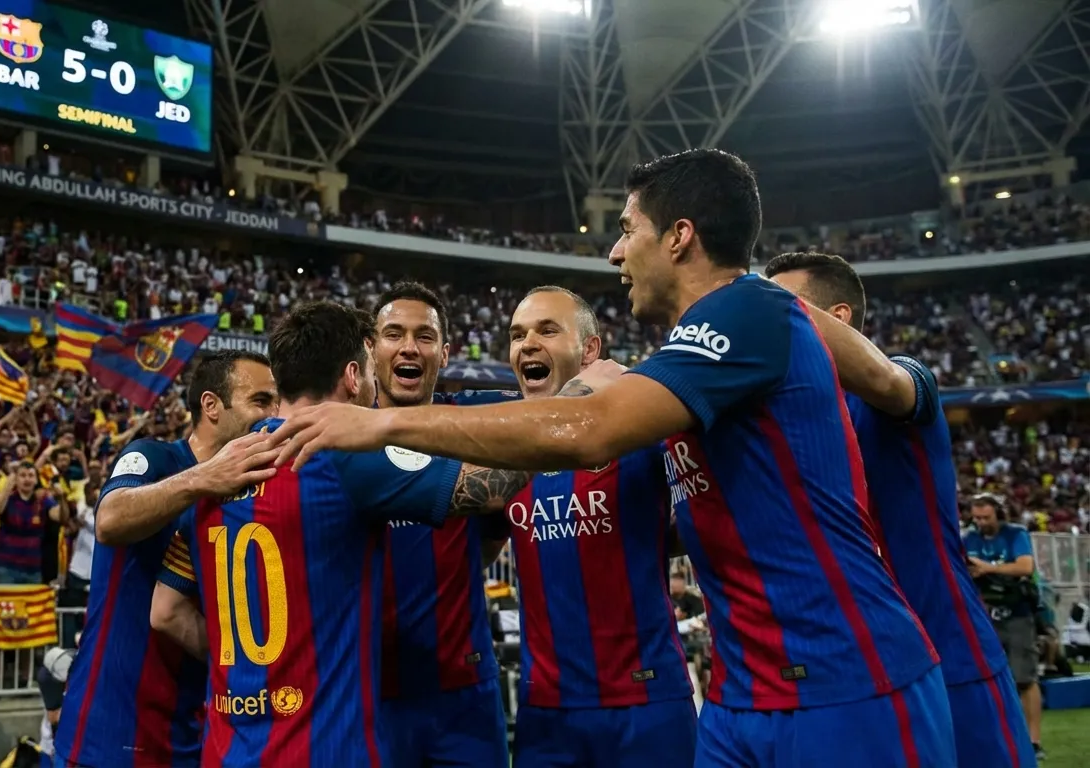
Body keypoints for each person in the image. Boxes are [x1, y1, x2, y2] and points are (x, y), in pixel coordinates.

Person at [267, 149, 955, 766]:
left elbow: (593, 430)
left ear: (680, 236)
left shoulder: (746, 309)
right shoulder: (688, 369)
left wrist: (384, 421)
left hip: (843, 680)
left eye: (627, 231)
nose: (615, 254)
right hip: (738, 694)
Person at [156, 301, 529, 767]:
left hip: (229, 745)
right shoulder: (342, 456)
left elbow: (165, 610)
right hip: (324, 746)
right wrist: (570, 408)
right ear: (354, 376)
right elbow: (490, 491)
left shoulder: (214, 472)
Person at [766, 251, 1036, 768]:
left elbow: (889, 381)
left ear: (836, 318)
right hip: (859, 681)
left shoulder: (905, 384)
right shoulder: (796, 422)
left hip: (953, 658)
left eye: (780, 306)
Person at [54, 350, 280, 768]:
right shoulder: (154, 457)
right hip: (114, 730)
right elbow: (110, 519)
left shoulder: (249, 494)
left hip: (198, 730)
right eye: (261, 401)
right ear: (211, 405)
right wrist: (204, 478)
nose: (273, 414)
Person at [501, 286, 695, 767]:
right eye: (517, 334)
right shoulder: (499, 440)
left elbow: (700, 512)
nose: (528, 343)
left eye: (548, 330)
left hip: (647, 703)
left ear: (590, 349)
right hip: (546, 712)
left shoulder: (644, 424)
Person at [370, 282, 511, 767]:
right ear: (371, 350)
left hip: (465, 691)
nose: (409, 346)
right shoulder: (342, 435)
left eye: (424, 336)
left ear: (445, 353)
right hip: (370, 695)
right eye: (393, 333)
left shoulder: (475, 417)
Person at [963, 493, 1043, 760]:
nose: (981, 522)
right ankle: (1005, 733)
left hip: (1018, 613)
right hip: (986, 615)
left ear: (998, 513)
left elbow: (1025, 566)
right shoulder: (969, 539)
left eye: (986, 517)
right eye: (976, 517)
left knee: (1025, 677)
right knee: (992, 676)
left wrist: (987, 568)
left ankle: (1034, 741)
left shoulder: (1015, 534)